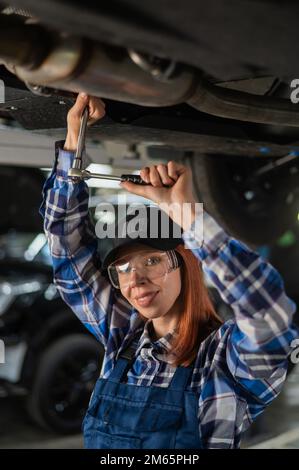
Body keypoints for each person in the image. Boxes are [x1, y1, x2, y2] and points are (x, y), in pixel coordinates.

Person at [39, 93, 299, 449]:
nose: (135, 280)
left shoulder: (225, 363)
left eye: (152, 261)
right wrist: (74, 142)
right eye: (123, 268)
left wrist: (191, 218)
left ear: (186, 262)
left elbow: (270, 319)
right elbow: (67, 259)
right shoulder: (123, 340)